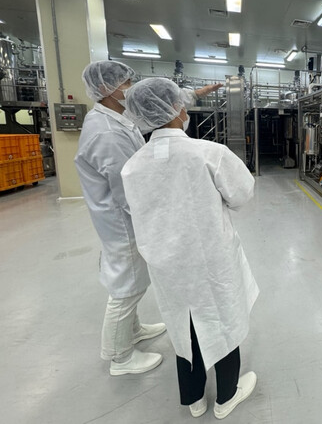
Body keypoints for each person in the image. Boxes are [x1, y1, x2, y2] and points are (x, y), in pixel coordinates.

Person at [120, 77, 259, 419]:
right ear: (176, 109)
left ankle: (194, 399)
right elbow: (242, 195)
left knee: (182, 326)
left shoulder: (132, 167)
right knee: (221, 319)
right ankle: (227, 397)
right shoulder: (209, 153)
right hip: (210, 259)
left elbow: (137, 212)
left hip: (166, 265)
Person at [75, 60, 221, 376]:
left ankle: (134, 329)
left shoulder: (117, 115)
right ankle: (120, 357)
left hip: (123, 217)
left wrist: (198, 93)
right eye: (126, 83)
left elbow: (158, 102)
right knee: (126, 286)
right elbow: (126, 190)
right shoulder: (106, 133)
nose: (131, 88)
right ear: (105, 88)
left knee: (135, 280)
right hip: (122, 221)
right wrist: (162, 218)